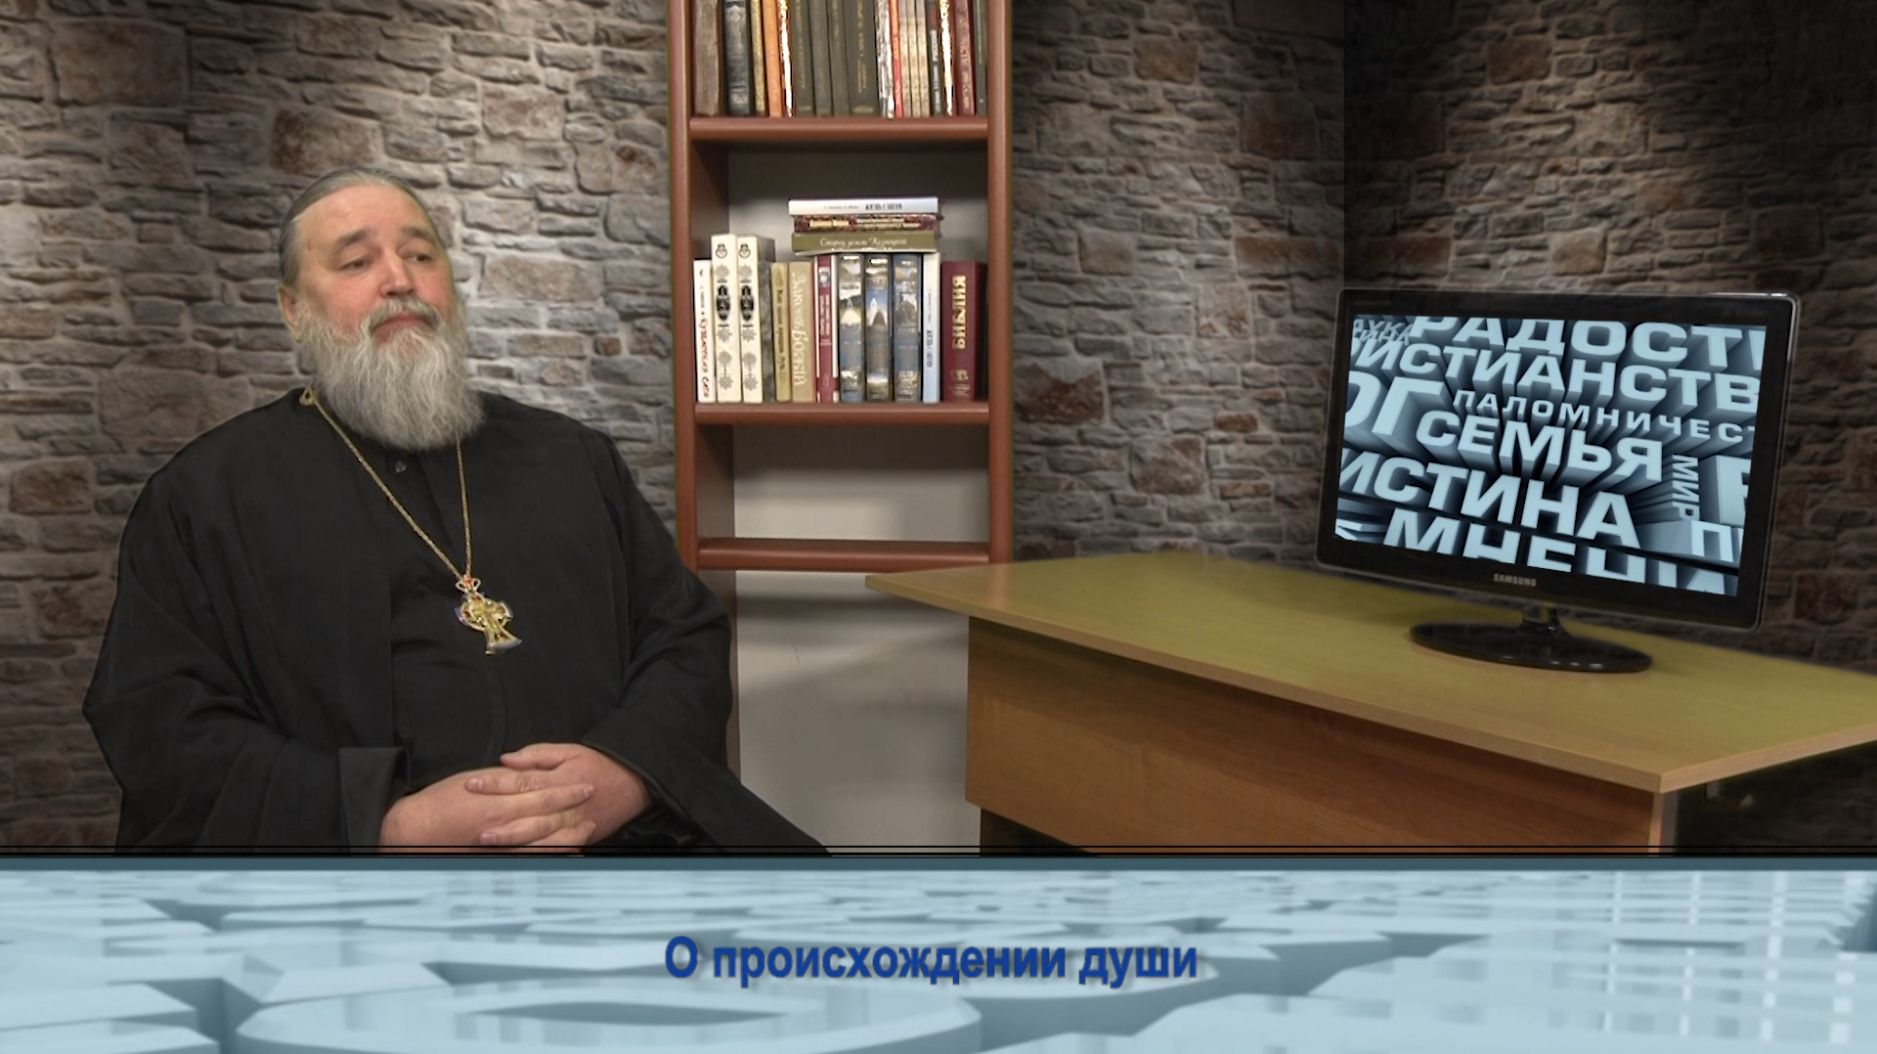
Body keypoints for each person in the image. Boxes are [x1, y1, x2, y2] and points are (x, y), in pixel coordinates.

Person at [82, 166, 818, 850]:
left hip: (614, 850)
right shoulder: (204, 498)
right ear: (293, 311)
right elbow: (158, 719)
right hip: (353, 884)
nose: (399, 280)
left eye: (420, 255)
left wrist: (627, 770)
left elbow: (683, 638)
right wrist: (383, 821)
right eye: (356, 262)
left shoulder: (571, 458)